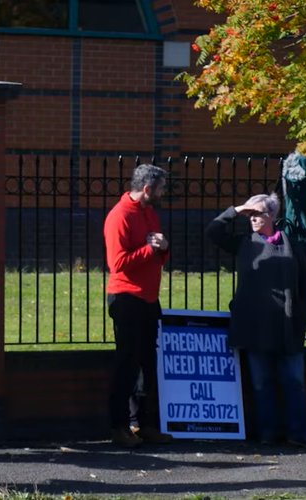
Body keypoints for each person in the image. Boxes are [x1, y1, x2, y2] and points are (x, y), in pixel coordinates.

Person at [205, 193, 306, 450]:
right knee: (261, 383)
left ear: (272, 215)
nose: (253, 218)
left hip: (287, 328)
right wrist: (237, 209)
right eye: (250, 215)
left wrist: (302, 319)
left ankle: (299, 433)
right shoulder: (244, 243)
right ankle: (268, 434)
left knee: (294, 382)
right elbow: (213, 231)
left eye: (258, 213)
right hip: (255, 326)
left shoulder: (293, 245)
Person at [104, 164, 173, 448]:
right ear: (147, 189)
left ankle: (144, 424)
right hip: (126, 298)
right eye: (161, 189)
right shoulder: (119, 216)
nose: (163, 193)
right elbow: (117, 264)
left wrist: (165, 247)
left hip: (148, 298)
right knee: (127, 364)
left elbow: (158, 256)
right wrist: (150, 250)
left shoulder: (150, 213)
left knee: (148, 364)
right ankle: (119, 426)